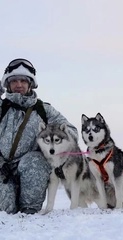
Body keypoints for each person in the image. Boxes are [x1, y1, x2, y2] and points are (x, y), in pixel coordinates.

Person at [0, 58, 78, 214]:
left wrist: (52, 143)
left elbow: (72, 132)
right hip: (2, 168)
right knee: (6, 211)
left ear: (30, 84)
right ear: (8, 84)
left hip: (30, 166)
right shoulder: (2, 108)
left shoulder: (44, 110)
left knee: (35, 160)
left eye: (23, 80)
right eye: (14, 81)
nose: (19, 84)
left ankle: (30, 211)